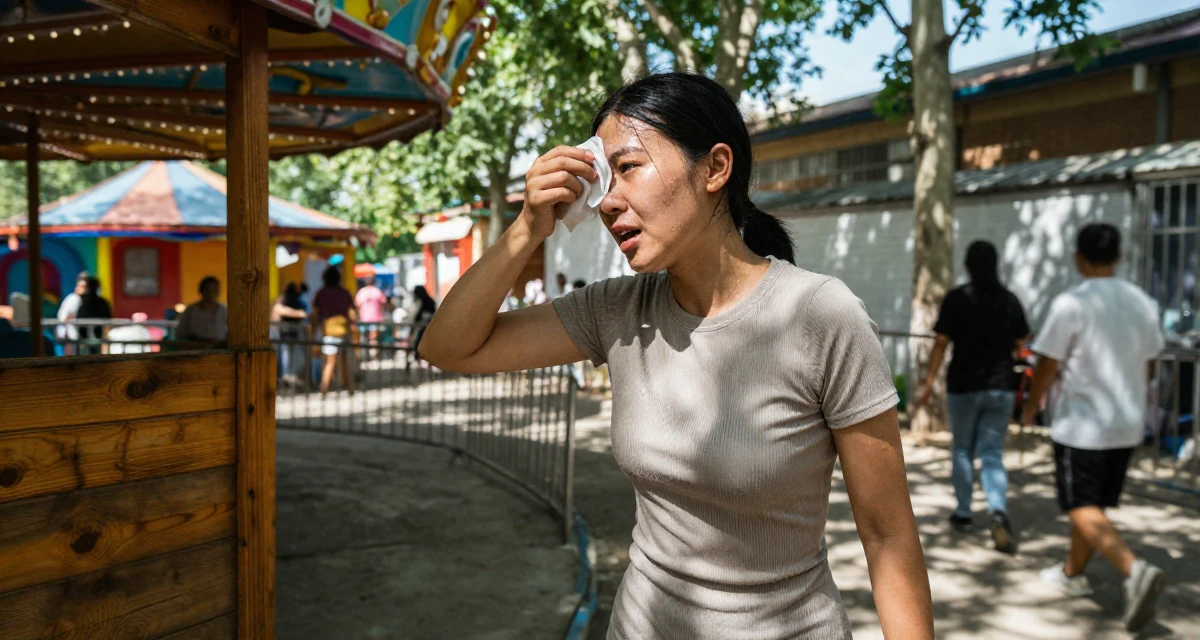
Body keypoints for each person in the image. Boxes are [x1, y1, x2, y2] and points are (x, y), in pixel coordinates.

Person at [418, 73, 933, 639]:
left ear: (715, 167)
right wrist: (525, 230)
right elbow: (447, 347)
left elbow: (888, 536)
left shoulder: (821, 315)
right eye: (604, 177)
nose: (608, 201)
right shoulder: (616, 310)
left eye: (629, 167)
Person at [1022, 223, 1166, 632]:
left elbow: (1047, 363)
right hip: (1127, 423)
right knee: (1093, 506)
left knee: (1079, 505)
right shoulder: (1142, 302)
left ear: (1079, 258)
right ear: (1118, 256)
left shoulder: (1072, 303)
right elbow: (1151, 365)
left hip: (1082, 426)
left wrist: (1032, 406)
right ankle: (1072, 573)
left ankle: (1134, 569)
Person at [916, 240, 1030, 552]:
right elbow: (1022, 341)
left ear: (967, 265)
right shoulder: (1009, 300)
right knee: (992, 452)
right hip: (1000, 385)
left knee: (962, 449)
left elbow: (941, 343)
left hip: (963, 385)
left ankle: (964, 512)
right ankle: (997, 511)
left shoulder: (957, 299)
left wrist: (928, 383)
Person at [312, 266, 356, 394]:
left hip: (328, 332)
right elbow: (352, 314)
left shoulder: (321, 293)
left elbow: (315, 314)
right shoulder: (344, 293)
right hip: (343, 332)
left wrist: (313, 331)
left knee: (329, 362)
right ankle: (349, 389)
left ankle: (324, 389)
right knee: (345, 362)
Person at [272, 282, 309, 387]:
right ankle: (286, 378)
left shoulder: (298, 300)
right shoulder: (284, 300)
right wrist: (296, 313)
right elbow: (279, 310)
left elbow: (305, 314)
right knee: (286, 357)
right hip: (285, 333)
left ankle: (290, 378)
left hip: (292, 333)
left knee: (292, 358)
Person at [176, 276, 228, 346]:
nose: (211, 293)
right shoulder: (191, 311)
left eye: (215, 290)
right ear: (201, 291)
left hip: (220, 348)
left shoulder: (225, 311)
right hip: (196, 348)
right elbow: (181, 332)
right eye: (208, 290)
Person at [75, 277, 113, 354]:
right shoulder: (103, 302)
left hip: (87, 337)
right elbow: (109, 317)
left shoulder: (83, 302)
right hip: (95, 337)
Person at [56, 272, 90, 353]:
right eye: (81, 286)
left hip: (80, 336)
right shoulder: (72, 299)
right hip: (69, 334)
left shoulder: (85, 300)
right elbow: (62, 317)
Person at [405, 285, 437, 369]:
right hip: (428, 329)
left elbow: (417, 317)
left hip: (424, 329)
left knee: (419, 346)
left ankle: (419, 362)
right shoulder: (429, 301)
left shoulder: (423, 303)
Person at [355, 275, 388, 346]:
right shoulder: (378, 291)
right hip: (376, 319)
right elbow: (384, 304)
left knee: (365, 339)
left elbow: (357, 306)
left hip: (364, 319)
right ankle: (373, 351)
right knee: (374, 338)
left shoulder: (361, 292)